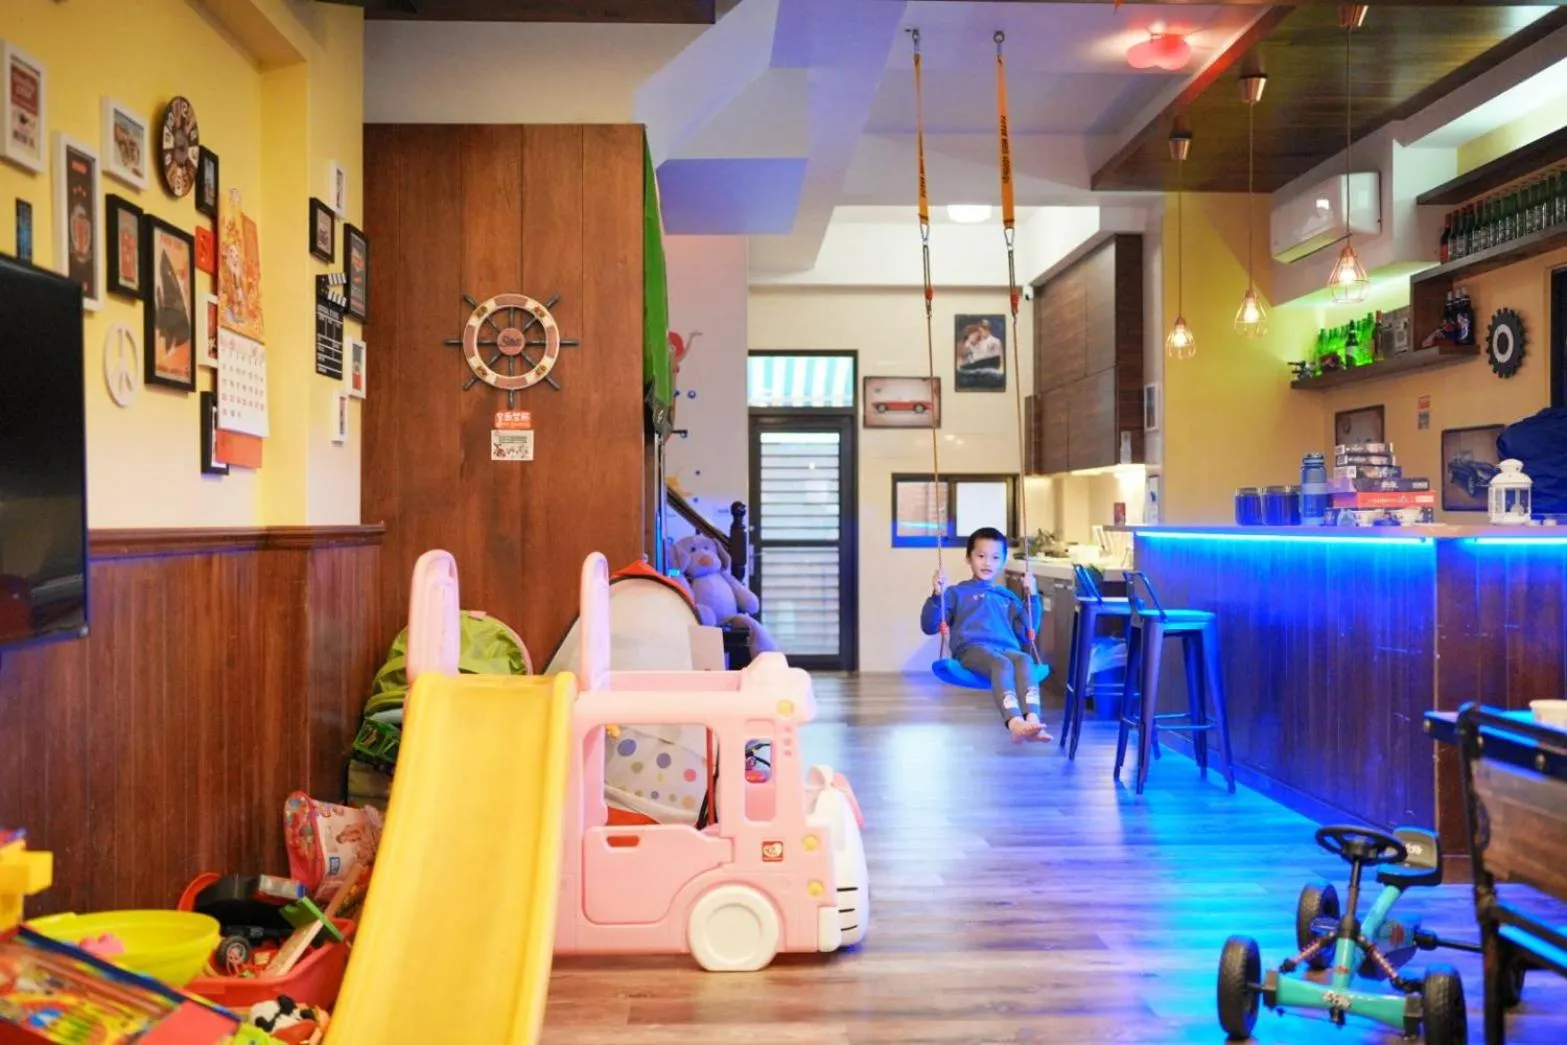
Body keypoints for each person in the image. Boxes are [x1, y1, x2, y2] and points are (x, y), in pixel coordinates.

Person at [920, 526, 1049, 743]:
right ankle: (1014, 722)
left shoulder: (1006, 596)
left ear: (1003, 560)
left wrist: (1032, 595)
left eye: (995, 557)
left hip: (1006, 649)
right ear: (968, 558)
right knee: (1002, 664)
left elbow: (1028, 632)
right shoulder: (956, 593)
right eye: (981, 556)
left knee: (1025, 659)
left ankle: (1033, 719)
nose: (988, 563)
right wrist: (937, 595)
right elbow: (929, 625)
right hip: (972, 650)